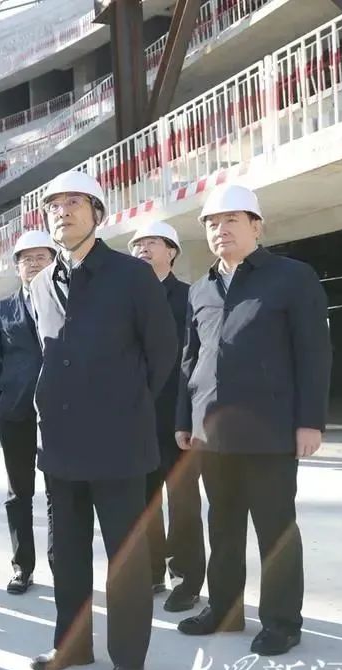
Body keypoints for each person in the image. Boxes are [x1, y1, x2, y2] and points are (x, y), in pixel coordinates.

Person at [27, 171, 176, 670]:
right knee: (65, 556)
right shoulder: (39, 284)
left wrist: (125, 404)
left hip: (119, 445)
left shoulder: (132, 276)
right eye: (53, 205)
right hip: (59, 446)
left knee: (125, 560)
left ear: (97, 213)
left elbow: (162, 352)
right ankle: (72, 646)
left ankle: (128, 661)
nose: (62, 211)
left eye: (74, 202)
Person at [176, 185, 331, 656]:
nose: (219, 230)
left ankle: (282, 622)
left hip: (271, 429)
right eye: (211, 223)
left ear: (256, 226)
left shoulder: (292, 277)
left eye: (231, 220)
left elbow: (314, 353)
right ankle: (224, 610)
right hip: (211, 430)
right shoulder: (200, 289)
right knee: (222, 526)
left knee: (275, 528)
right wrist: (185, 418)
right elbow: (190, 360)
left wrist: (310, 421)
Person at [128, 221, 205, 612]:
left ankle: (186, 581)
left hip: (178, 419)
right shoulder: (124, 298)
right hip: (135, 419)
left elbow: (196, 361)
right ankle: (151, 572)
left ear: (172, 251)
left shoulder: (190, 297)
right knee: (143, 503)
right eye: (137, 243)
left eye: (151, 242)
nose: (142, 248)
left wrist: (187, 417)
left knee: (183, 503)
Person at [0, 230, 55, 595]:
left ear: (54, 262)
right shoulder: (1, 309)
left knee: (61, 492)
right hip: (15, 412)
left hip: (62, 413)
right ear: (17, 267)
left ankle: (62, 566)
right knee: (19, 492)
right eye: (27, 259)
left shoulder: (69, 302)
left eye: (41, 257)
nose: (34, 264)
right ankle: (22, 567)